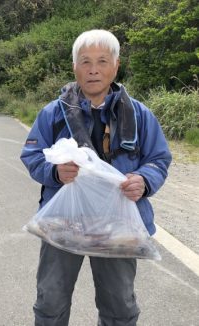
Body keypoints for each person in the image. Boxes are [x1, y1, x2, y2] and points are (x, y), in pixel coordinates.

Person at [20, 29, 172, 326]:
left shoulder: (140, 115)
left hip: (118, 226)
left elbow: (159, 159)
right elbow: (32, 156)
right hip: (63, 222)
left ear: (116, 65)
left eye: (102, 61)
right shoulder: (53, 113)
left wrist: (144, 180)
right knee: (50, 301)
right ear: (74, 66)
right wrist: (54, 172)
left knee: (119, 306)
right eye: (85, 61)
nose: (93, 69)